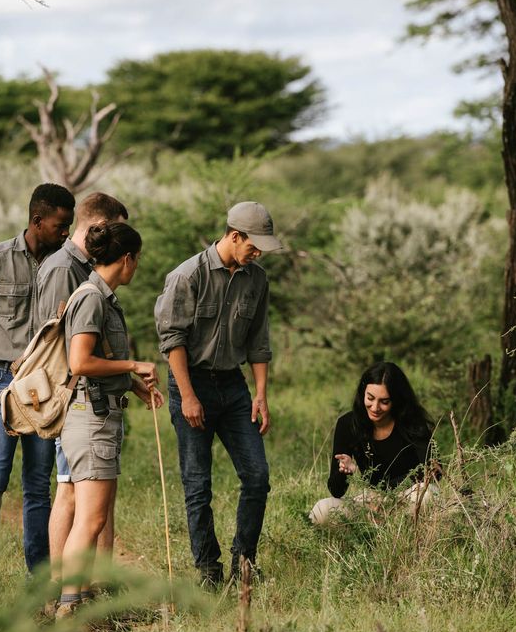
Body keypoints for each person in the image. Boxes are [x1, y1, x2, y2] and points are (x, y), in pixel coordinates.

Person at [154, 201, 281, 588]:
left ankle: (244, 562)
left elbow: (258, 341)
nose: (257, 254)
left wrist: (260, 394)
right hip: (190, 382)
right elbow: (172, 340)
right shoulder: (187, 275)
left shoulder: (257, 280)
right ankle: (208, 570)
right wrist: (188, 397)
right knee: (198, 484)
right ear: (234, 236)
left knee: (257, 476)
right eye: (253, 246)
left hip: (233, 386)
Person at [0, 183, 75, 589]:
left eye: (70, 225)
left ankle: (39, 580)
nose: (66, 232)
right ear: (37, 220)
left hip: (47, 387)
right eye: (60, 225)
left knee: (38, 486)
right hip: (0, 383)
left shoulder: (66, 266)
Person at [55, 222, 162, 618]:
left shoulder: (102, 297)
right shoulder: (91, 297)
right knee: (90, 518)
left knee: (93, 517)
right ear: (127, 258)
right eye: (138, 259)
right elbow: (80, 362)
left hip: (100, 414)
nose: (138, 266)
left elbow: (98, 361)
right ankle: (68, 608)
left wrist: (133, 385)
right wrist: (133, 364)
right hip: (90, 419)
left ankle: (79, 601)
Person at [36, 192, 129, 601]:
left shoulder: (88, 276)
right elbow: (67, 351)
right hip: (77, 402)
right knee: (74, 498)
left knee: (87, 503)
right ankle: (66, 595)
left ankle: (84, 590)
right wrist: (128, 368)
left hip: (91, 399)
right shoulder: (71, 275)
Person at [309, 361, 436, 526]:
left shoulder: (412, 422)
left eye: (384, 401)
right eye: (370, 398)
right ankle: (369, 533)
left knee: (428, 495)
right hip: (369, 503)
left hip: (406, 498)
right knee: (321, 511)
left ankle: (400, 533)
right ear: (362, 393)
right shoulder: (347, 424)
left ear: (396, 400)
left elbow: (433, 470)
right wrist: (345, 472)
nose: (375, 407)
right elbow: (336, 491)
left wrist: (385, 494)